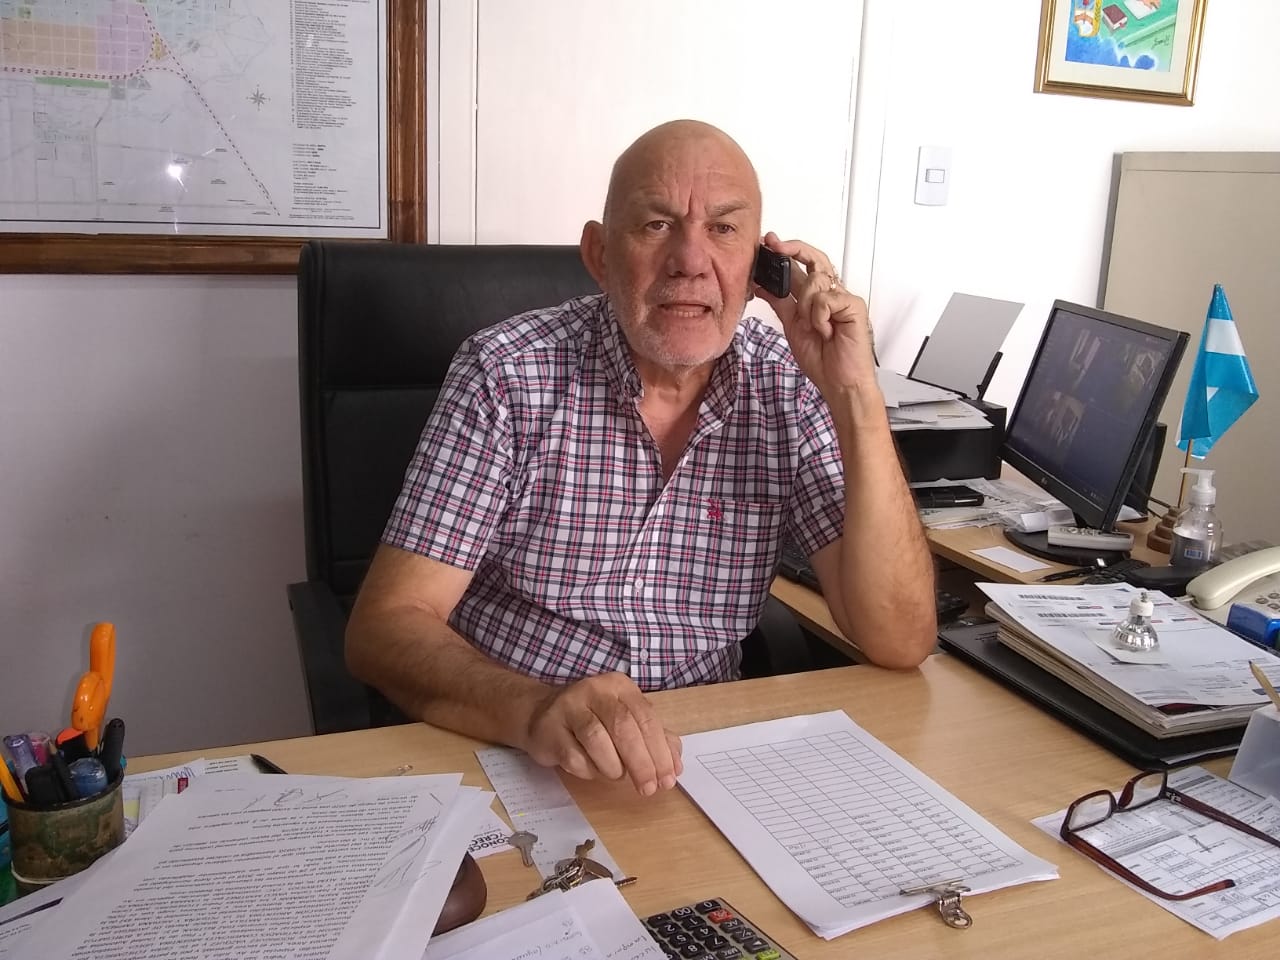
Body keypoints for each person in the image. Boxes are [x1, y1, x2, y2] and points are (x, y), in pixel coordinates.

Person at [346, 120, 936, 797]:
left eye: (723, 229)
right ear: (600, 254)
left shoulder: (791, 389)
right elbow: (385, 627)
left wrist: (855, 393)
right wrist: (534, 708)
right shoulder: (507, 375)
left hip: (698, 758)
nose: (690, 260)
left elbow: (900, 639)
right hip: (514, 746)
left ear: (760, 272)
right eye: (657, 225)